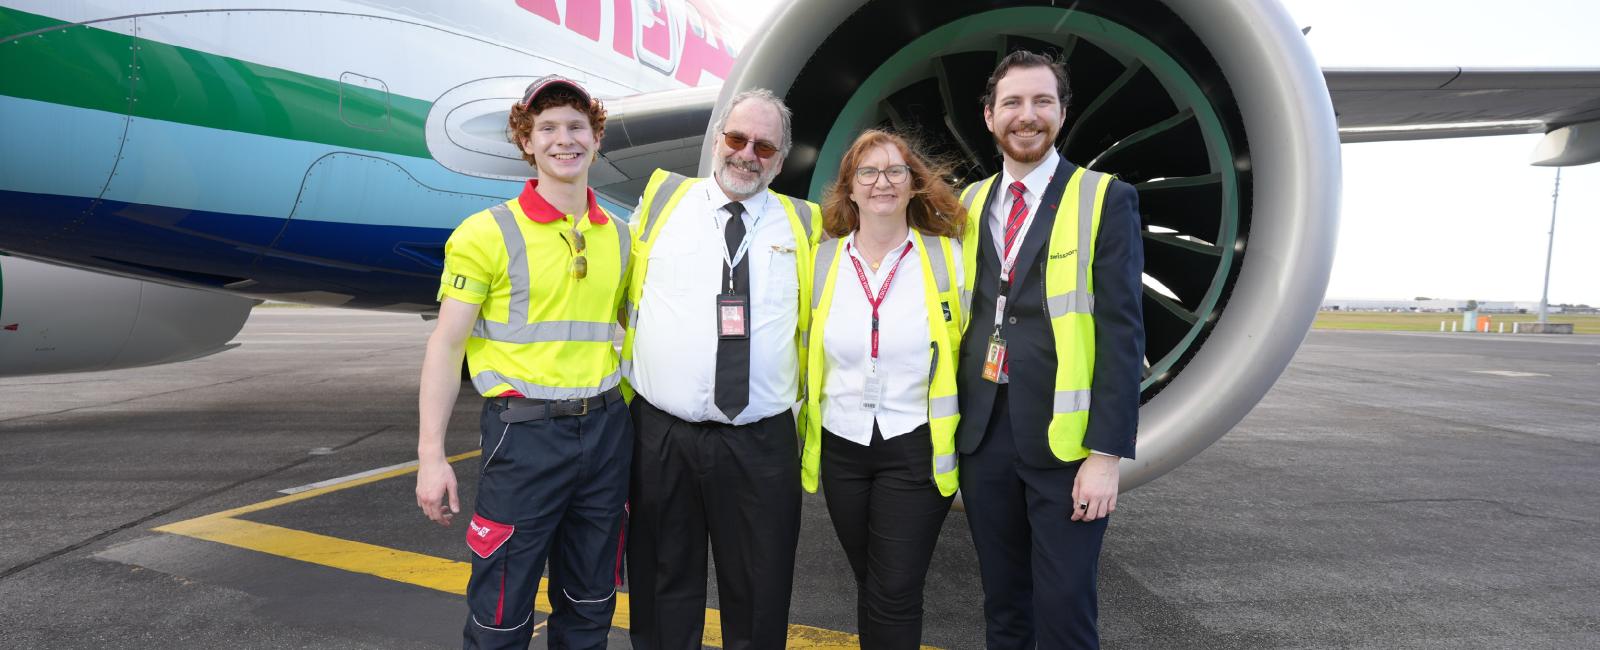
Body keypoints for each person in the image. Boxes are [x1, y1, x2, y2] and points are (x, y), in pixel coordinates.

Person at [414, 75, 632, 650]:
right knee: (501, 611)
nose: (566, 140)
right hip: (525, 436)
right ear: (527, 142)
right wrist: (430, 457)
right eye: (549, 128)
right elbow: (446, 344)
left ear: (596, 137)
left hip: (607, 431)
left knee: (590, 605)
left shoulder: (623, 238)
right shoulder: (485, 234)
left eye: (577, 127)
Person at [954, 51, 1146, 649]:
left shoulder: (1103, 198)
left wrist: (1107, 454)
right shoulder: (968, 204)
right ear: (989, 117)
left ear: (1063, 113)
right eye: (1012, 103)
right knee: (1004, 605)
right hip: (984, 436)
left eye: (1042, 101)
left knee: (1064, 611)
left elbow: (1122, 331)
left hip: (1065, 443)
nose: (1026, 115)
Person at [616, 88, 821, 649]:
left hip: (761, 442)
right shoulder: (660, 203)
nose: (746, 154)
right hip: (662, 433)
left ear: (780, 160)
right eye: (736, 139)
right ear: (715, 141)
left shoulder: (806, 224)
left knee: (759, 592)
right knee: (661, 586)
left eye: (763, 146)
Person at [800, 129, 965, 649]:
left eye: (896, 171)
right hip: (842, 445)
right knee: (871, 582)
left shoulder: (949, 258)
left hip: (913, 444)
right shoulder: (821, 260)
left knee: (895, 588)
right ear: (849, 188)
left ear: (914, 185)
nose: (882, 183)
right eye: (867, 172)